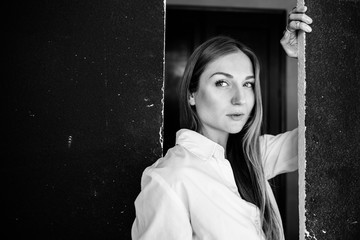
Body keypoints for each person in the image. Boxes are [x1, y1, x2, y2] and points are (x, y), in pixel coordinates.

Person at [131, 5, 312, 240]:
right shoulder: (171, 179)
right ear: (191, 94)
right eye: (222, 83)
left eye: (247, 84)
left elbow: (322, 137)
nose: (240, 99)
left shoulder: (254, 157)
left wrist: (308, 57)